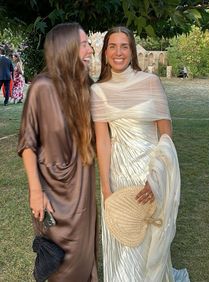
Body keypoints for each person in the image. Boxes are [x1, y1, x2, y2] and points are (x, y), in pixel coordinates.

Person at [91, 26, 190, 281]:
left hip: (150, 172)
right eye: (112, 46)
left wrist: (158, 175)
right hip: (118, 175)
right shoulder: (98, 91)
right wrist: (105, 188)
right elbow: (103, 139)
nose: (118, 52)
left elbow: (165, 133)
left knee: (150, 240)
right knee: (123, 240)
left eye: (124, 46)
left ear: (132, 51)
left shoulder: (150, 83)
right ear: (105, 53)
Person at [18, 23, 98, 282]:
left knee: (84, 260)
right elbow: (28, 143)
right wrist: (35, 191)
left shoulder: (87, 86)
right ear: (67, 48)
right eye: (84, 43)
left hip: (82, 191)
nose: (90, 49)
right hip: (51, 193)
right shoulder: (42, 86)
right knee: (59, 266)